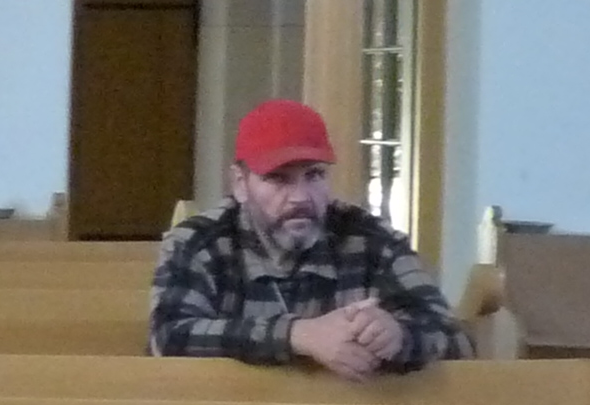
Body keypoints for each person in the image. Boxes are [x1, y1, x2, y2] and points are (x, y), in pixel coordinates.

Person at [148, 97, 472, 378]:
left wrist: (400, 336)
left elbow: (457, 341)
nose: (301, 197)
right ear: (240, 184)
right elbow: (168, 337)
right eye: (278, 179)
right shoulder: (198, 243)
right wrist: (297, 334)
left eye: (314, 175)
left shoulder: (374, 241)